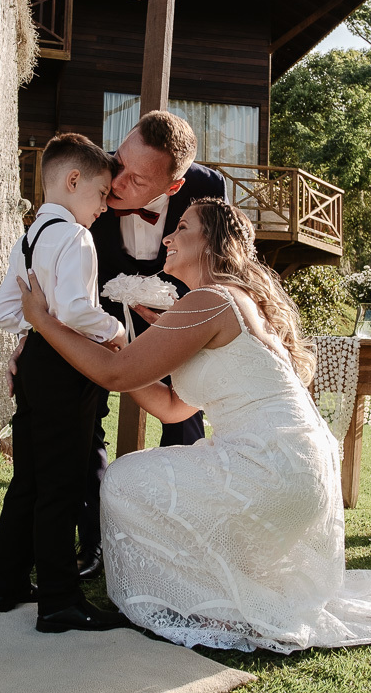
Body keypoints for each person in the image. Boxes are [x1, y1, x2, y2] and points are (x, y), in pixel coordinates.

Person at [13, 197, 371, 652]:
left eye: (183, 228)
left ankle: (206, 603)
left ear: (212, 246)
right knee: (144, 475)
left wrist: (44, 321)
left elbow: (112, 376)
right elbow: (173, 409)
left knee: (128, 481)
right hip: (297, 468)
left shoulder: (208, 300)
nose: (170, 236)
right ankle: (216, 593)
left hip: (271, 467)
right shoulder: (221, 302)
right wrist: (127, 347)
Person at [0, 133, 131, 633]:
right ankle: (59, 600)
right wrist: (114, 330)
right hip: (68, 365)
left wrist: (33, 326)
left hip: (34, 365)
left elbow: (5, 310)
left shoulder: (28, 236)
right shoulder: (75, 236)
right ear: (73, 181)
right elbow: (73, 310)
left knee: (28, 478)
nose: (104, 208)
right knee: (62, 484)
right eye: (101, 195)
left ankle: (3, 585)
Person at [75, 110, 226, 579]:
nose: (116, 181)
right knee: (84, 421)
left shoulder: (208, 189)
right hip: (96, 317)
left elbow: (217, 267)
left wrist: (180, 319)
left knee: (185, 421)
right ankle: (96, 541)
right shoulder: (89, 169)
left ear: (173, 186)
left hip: (176, 319)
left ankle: (178, 537)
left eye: (137, 179)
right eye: (119, 161)